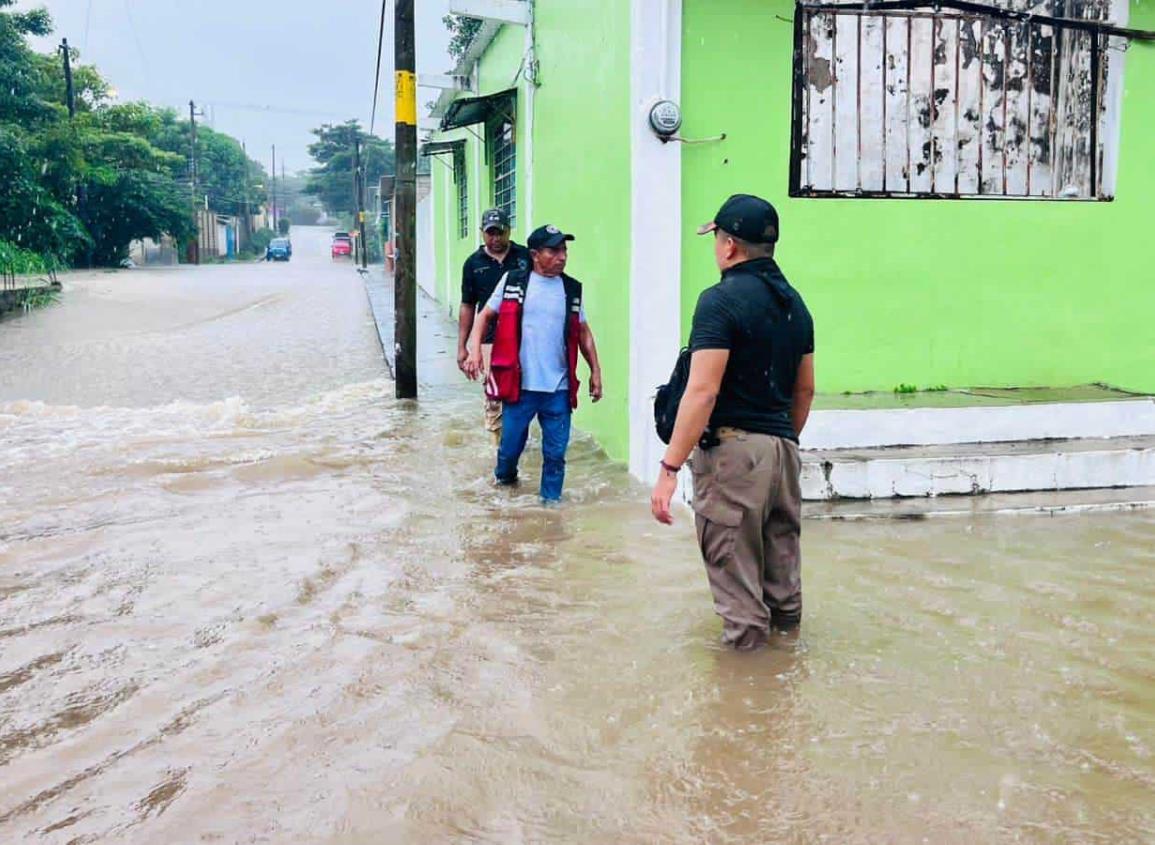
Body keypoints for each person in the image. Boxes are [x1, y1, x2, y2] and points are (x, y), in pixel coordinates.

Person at [650, 194, 816, 650]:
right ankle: (783, 688)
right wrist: (779, 444)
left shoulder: (719, 301)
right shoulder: (795, 306)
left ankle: (745, 707)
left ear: (728, 246)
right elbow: (805, 391)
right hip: (784, 452)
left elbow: (702, 391)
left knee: (740, 607)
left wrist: (668, 469)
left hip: (734, 456)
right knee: (783, 596)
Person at [464, 224, 604, 503]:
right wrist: (474, 351)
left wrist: (595, 371)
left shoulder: (571, 289)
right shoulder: (513, 282)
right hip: (521, 386)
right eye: (554, 250)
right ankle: (505, 489)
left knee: (555, 455)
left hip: (558, 389)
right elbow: (484, 316)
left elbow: (584, 332)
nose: (562, 256)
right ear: (535, 255)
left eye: (564, 250)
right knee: (509, 449)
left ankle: (550, 512)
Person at [457, 208, 531, 445]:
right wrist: (464, 347)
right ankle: (499, 449)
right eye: (490, 233)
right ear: (482, 233)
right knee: (494, 394)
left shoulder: (525, 257)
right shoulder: (473, 264)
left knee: (522, 392)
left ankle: (519, 443)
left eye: (499, 232)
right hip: (489, 340)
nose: (495, 238)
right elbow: (468, 306)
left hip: (523, 337)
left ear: (508, 231)